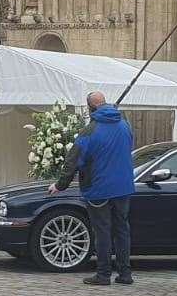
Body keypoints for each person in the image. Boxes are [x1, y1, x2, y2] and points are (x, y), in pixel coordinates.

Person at [50, 92, 135, 285]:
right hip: (123, 187)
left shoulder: (89, 131)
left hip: (99, 188)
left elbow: (71, 161)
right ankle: (125, 273)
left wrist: (59, 185)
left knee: (102, 231)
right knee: (122, 230)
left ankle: (103, 274)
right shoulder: (125, 125)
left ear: (90, 108)